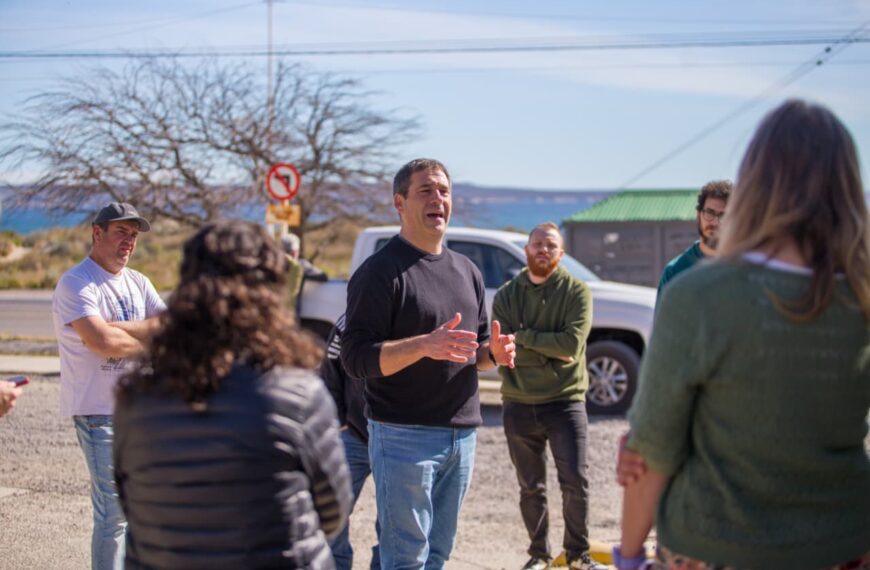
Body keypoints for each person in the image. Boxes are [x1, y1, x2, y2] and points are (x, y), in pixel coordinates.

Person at [616, 99, 870, 570]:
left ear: (756, 180)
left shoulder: (699, 293)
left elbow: (650, 454)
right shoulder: (861, 293)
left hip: (710, 546)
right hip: (840, 545)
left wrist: (629, 558)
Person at [113, 220, 352, 569]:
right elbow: (332, 513)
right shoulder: (298, 395)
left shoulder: (136, 397)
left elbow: (131, 502)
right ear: (272, 294)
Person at [341, 158, 517, 569]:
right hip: (403, 436)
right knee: (405, 559)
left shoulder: (466, 270)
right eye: (426, 190)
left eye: (444, 191)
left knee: (437, 555)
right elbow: (355, 358)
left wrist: (493, 353)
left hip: (462, 437)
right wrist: (423, 345)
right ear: (399, 203)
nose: (438, 198)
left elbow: (470, 352)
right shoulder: (379, 273)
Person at [52, 202, 165, 570]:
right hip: (98, 414)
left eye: (133, 236)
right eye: (121, 232)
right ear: (96, 233)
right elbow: (101, 343)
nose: (128, 242)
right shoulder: (76, 282)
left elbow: (171, 330)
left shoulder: (139, 282)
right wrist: (147, 339)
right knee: (113, 513)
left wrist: (114, 327)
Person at [491, 222, 606, 570]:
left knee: (575, 482)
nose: (543, 249)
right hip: (518, 402)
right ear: (526, 250)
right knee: (530, 487)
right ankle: (538, 555)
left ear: (562, 253)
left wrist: (523, 337)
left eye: (551, 245)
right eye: (537, 243)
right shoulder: (507, 295)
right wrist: (545, 347)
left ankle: (577, 554)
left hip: (565, 402)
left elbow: (570, 345)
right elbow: (502, 351)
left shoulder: (576, 292)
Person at [321, 314, 381, 570]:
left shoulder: (411, 317)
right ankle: (336, 564)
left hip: (400, 438)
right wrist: (339, 417)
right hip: (354, 434)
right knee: (331, 507)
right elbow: (329, 367)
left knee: (394, 520)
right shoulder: (348, 322)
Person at [656, 180, 731, 297]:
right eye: (709, 213)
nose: (715, 222)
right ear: (698, 216)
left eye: (723, 216)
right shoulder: (675, 272)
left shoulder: (745, 269)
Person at [281, 232, 328, 311]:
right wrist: (304, 275)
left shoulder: (271, 264)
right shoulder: (301, 265)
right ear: (295, 252)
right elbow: (323, 277)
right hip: (291, 314)